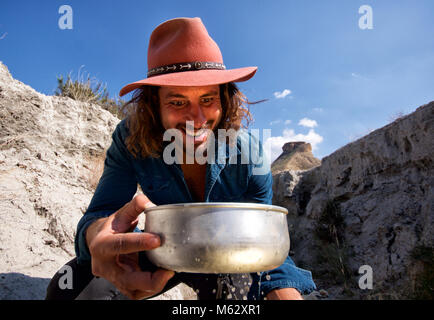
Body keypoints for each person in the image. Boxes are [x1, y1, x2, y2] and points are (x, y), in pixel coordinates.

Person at [46, 17, 316, 300]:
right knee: (67, 290)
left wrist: (281, 290)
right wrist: (97, 237)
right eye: (178, 102)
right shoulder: (129, 140)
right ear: (153, 106)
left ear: (225, 100)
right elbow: (101, 214)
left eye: (208, 99)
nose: (197, 120)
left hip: (231, 255)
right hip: (164, 248)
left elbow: (262, 239)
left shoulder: (250, 154)